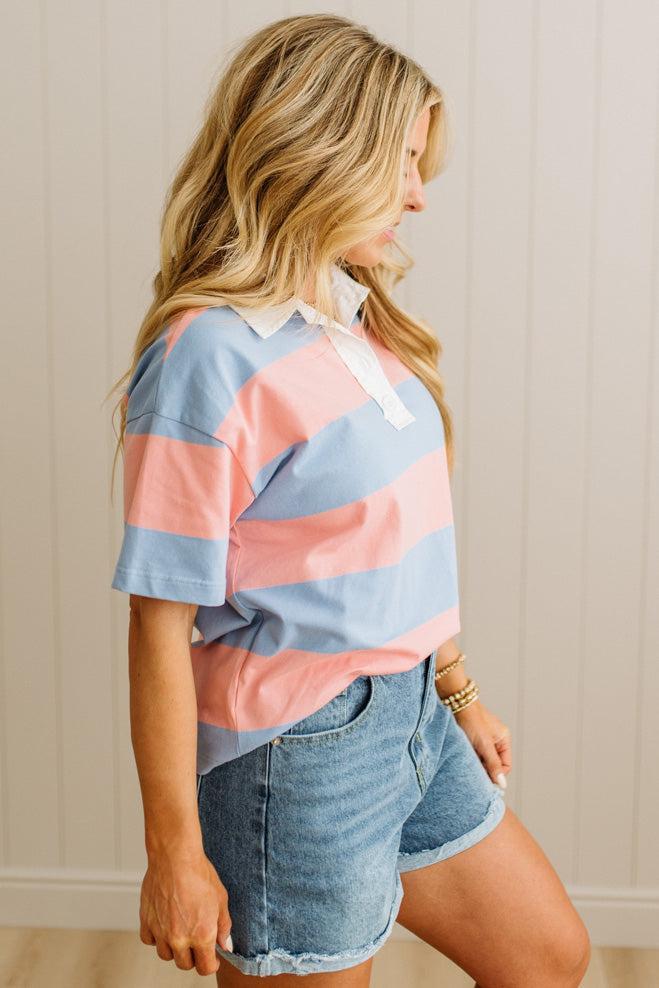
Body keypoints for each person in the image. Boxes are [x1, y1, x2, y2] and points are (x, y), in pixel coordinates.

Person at [107, 13, 591, 987]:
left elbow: (393, 546)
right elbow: (159, 619)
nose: (417, 195)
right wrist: (174, 853)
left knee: (547, 957)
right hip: (300, 758)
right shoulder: (208, 355)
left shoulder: (348, 316)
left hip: (413, 718)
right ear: (319, 148)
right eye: (401, 162)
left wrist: (455, 687)